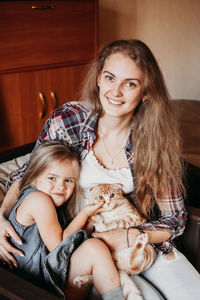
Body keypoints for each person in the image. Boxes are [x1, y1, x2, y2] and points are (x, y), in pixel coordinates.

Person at [0, 39, 200, 299]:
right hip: (86, 247)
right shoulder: (68, 120)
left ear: (146, 92)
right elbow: (25, 176)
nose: (115, 92)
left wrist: (128, 236)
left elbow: (173, 220)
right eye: (110, 78)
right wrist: (1, 217)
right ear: (98, 78)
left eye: (130, 84)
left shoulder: (155, 140)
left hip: (137, 237)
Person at [5, 140, 125, 300]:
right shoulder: (38, 200)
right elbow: (58, 245)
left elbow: (68, 245)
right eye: (52, 178)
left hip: (49, 280)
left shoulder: (56, 208)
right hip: (27, 288)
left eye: (68, 180)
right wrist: (85, 213)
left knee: (94, 247)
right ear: (34, 178)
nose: (61, 186)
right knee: (93, 248)